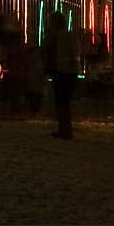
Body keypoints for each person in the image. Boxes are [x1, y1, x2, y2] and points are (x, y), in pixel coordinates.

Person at [43, 11, 79, 140]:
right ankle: (65, 129)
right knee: (64, 102)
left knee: (61, 102)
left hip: (62, 72)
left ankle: (64, 130)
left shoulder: (55, 37)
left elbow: (51, 54)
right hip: (69, 72)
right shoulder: (69, 36)